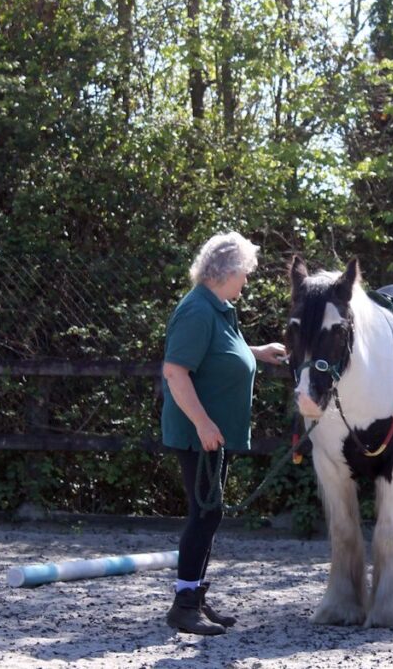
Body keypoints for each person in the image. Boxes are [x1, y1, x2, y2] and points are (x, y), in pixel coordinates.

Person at [161, 232, 287, 635]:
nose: (247, 281)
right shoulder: (197, 311)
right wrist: (202, 422)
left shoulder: (218, 308)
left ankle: (193, 594)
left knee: (209, 513)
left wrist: (257, 352)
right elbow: (175, 372)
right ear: (228, 271)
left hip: (211, 432)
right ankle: (184, 605)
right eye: (245, 273)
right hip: (199, 432)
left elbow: (220, 353)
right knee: (205, 513)